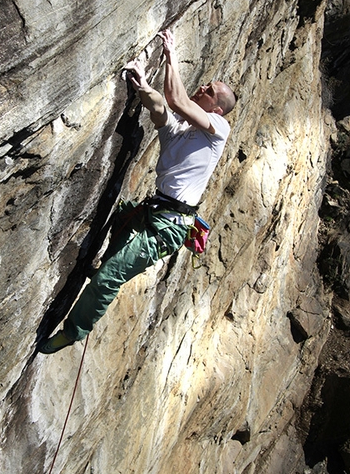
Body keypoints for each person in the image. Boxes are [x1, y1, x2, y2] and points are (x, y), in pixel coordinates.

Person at [39, 29, 236, 354]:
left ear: (216, 109)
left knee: (107, 280)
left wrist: (170, 54)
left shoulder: (219, 131)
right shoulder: (182, 133)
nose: (204, 87)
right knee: (118, 212)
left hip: (168, 228)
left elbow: (177, 100)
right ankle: (105, 261)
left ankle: (73, 332)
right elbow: (161, 107)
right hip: (154, 212)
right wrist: (142, 84)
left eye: (210, 90)